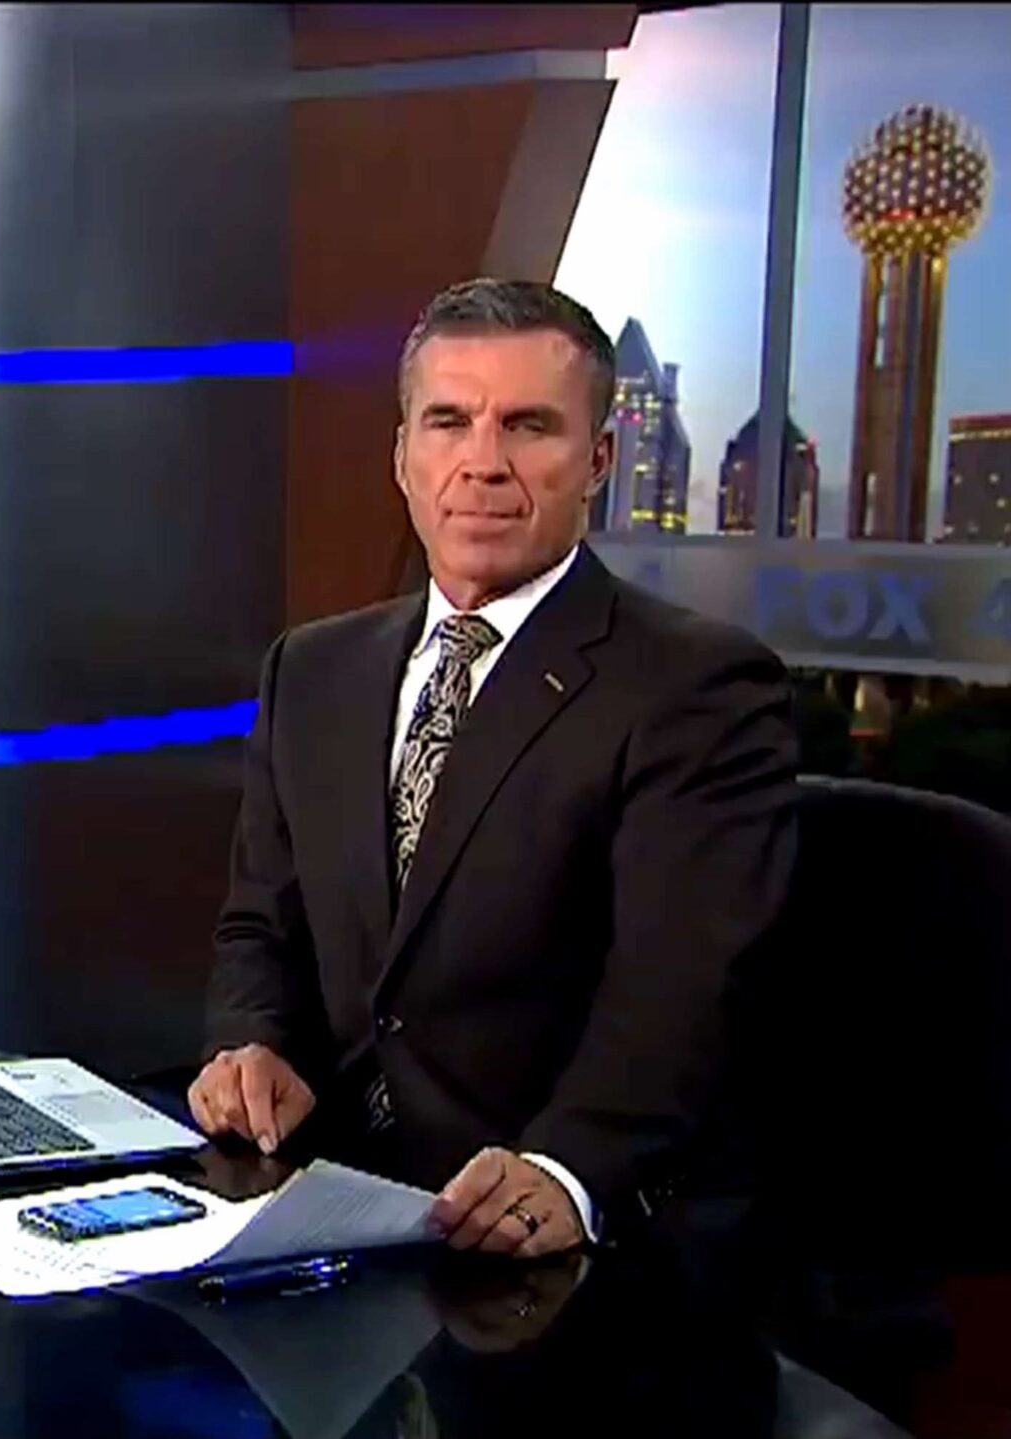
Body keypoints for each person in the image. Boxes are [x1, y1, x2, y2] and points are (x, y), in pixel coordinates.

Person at [191, 279, 798, 1257]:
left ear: (597, 460)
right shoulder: (311, 668)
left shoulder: (697, 687)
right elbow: (263, 923)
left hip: (564, 1234)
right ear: (403, 456)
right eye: (449, 422)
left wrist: (568, 1167)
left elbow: (681, 989)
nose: (482, 463)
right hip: (323, 1198)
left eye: (527, 425)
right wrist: (251, 1042)